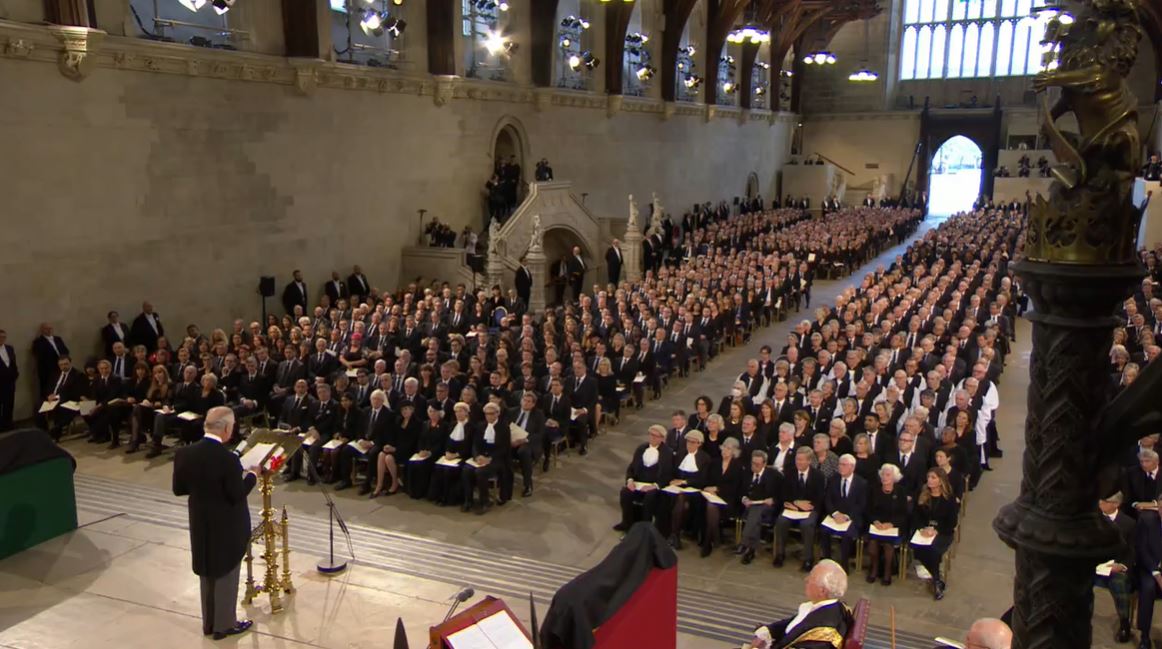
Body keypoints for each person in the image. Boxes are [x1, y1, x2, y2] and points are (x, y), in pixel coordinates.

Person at [171, 406, 256, 640]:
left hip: (200, 520)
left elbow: (179, 489)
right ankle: (225, 625)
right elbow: (236, 494)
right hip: (227, 524)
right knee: (226, 572)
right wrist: (253, 476)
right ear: (227, 428)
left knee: (207, 570)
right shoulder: (227, 459)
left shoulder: (184, 453)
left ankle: (209, 623)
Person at [747, 559, 851, 648]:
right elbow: (794, 623)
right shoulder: (828, 607)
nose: (806, 580)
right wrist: (769, 630)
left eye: (811, 578)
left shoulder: (823, 632)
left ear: (822, 591)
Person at [614, 425, 674, 534]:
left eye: (656, 436)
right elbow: (631, 468)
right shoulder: (641, 448)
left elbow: (668, 475)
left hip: (654, 486)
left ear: (662, 438)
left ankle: (645, 526)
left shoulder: (667, 453)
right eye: (651, 435)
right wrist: (630, 480)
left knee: (650, 496)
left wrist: (654, 485)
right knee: (625, 492)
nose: (653, 438)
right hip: (638, 483)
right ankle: (627, 523)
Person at [911, 467, 960, 600]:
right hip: (924, 531)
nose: (930, 480)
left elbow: (952, 522)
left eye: (933, 478)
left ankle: (936, 581)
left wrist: (936, 530)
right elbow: (916, 516)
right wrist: (922, 528)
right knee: (918, 549)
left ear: (941, 480)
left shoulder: (949, 499)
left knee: (933, 550)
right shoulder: (922, 494)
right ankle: (937, 578)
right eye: (928, 477)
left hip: (943, 532)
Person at [774, 447, 826, 571]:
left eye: (802, 460)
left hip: (810, 509)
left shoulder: (818, 475)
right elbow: (783, 494)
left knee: (807, 525)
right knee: (781, 521)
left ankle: (808, 558)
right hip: (792, 507)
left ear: (809, 461)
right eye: (797, 459)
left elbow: (819, 498)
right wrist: (796, 503)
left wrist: (805, 506)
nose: (799, 462)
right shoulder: (789, 472)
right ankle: (780, 554)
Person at [1096, 492, 1135, 644]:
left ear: (1115, 504)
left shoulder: (1128, 523)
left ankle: (1125, 623)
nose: (1099, 503)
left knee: (1120, 583)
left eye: (1104, 501)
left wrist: (1121, 566)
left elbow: (1133, 551)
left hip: (1115, 567)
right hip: (1093, 565)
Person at [820, 454, 867, 571]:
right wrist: (835, 514)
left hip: (852, 517)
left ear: (852, 467)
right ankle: (827, 560)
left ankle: (844, 564)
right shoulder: (833, 479)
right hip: (834, 516)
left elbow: (861, 505)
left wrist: (846, 516)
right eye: (840, 464)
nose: (840, 467)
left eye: (844, 465)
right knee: (823, 530)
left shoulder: (861, 483)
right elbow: (827, 499)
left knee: (847, 534)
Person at [865, 463, 908, 585]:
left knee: (888, 545)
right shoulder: (874, 489)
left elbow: (904, 514)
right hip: (876, 525)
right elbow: (868, 510)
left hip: (893, 527)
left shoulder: (900, 492)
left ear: (894, 477)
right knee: (872, 543)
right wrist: (875, 521)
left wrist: (891, 524)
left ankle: (887, 572)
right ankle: (874, 568)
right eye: (883, 474)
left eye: (888, 475)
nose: (884, 477)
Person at [738, 449, 781, 564]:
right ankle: (750, 549)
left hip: (767, 507)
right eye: (753, 463)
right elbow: (740, 490)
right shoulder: (747, 472)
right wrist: (744, 498)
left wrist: (773, 500)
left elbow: (781, 494)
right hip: (749, 506)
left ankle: (745, 543)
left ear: (764, 464)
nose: (754, 466)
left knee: (756, 512)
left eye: (757, 464)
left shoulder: (774, 475)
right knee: (755, 514)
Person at [0, 329, 17, 432]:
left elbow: (13, 362)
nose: (2, 339)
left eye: (3, 337)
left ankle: (8, 425)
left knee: (9, 404)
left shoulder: (9, 348)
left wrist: (15, 374)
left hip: (10, 382)